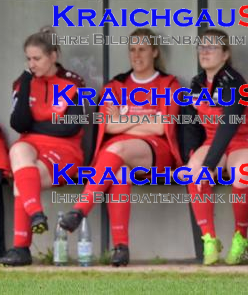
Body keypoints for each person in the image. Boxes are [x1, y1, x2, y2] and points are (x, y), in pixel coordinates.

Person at [59, 28, 182, 267]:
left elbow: (161, 127)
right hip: (119, 154)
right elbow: (109, 127)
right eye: (132, 50)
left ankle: (81, 209)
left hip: (157, 154)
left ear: (155, 52)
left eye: (143, 49)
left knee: (117, 151)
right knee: (118, 171)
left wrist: (124, 121)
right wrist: (143, 120)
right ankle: (121, 248)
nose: (137, 55)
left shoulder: (169, 84)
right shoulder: (115, 86)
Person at [0, 27, 85, 266]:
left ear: (53, 56)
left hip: (65, 151)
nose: (31, 64)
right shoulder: (22, 82)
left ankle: (21, 248)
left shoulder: (74, 82)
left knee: (23, 180)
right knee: (17, 152)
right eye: (28, 58)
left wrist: (34, 127)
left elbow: (70, 128)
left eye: (37, 58)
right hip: (31, 147)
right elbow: (19, 124)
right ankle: (36, 214)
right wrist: (26, 84)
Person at [179, 29, 248, 266]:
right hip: (214, 142)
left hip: (245, 139)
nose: (204, 52)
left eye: (211, 47)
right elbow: (190, 127)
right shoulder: (196, 84)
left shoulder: (234, 82)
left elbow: (229, 126)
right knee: (192, 171)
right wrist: (193, 158)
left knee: (242, 173)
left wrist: (208, 164)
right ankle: (209, 240)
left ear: (225, 54)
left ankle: (241, 240)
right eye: (201, 47)